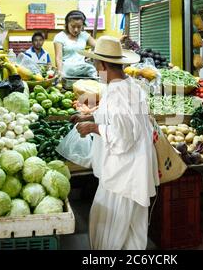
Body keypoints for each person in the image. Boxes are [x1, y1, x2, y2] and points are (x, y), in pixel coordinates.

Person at [70, 36, 159, 250]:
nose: (95, 68)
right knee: (130, 230)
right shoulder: (128, 85)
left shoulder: (119, 91)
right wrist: (89, 117)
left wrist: (93, 128)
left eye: (95, 64)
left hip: (124, 173)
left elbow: (124, 135)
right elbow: (119, 118)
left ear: (102, 65)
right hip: (133, 170)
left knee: (112, 229)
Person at [53, 10, 96, 75]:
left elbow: (98, 46)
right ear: (67, 25)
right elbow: (59, 58)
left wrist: (92, 53)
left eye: (79, 27)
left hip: (82, 67)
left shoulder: (84, 35)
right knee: (71, 69)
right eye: (73, 26)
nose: (76, 30)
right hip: (67, 69)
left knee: (92, 70)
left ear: (82, 26)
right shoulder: (59, 37)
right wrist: (60, 73)